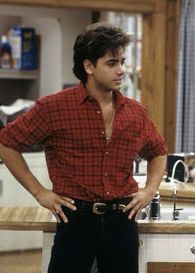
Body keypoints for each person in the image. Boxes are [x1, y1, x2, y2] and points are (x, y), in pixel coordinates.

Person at [0, 22, 167, 273]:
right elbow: (6, 142)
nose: (121, 70)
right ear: (89, 66)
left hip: (123, 220)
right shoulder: (54, 108)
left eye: (122, 61)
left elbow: (158, 151)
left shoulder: (135, 111)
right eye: (112, 63)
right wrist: (39, 192)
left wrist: (149, 191)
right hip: (76, 219)